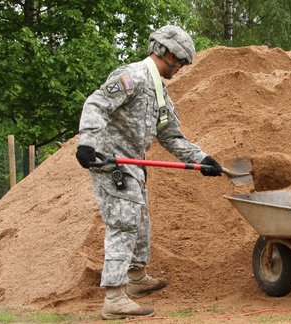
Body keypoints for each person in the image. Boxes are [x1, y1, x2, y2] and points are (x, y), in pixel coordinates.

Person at [75, 25, 223, 320]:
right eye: (180, 62)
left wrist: (203, 158)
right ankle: (115, 297)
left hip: (135, 165)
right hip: (111, 163)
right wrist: (86, 143)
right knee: (124, 222)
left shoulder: (159, 91)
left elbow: (170, 136)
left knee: (140, 220)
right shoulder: (132, 77)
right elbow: (96, 103)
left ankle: (137, 277)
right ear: (166, 53)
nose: (181, 68)